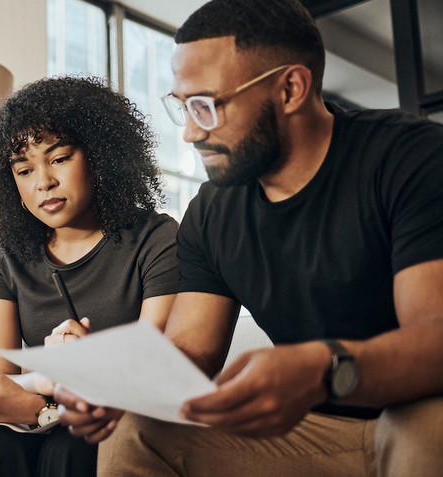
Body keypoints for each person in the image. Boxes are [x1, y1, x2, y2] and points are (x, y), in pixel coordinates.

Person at [55, 1, 443, 476]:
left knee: (431, 425)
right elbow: (191, 353)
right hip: (314, 434)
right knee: (138, 426)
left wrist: (321, 370)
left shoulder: (409, 159)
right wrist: (119, 387)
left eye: (206, 106)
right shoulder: (212, 212)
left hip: (416, 412)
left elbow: (435, 340)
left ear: (291, 89)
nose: (190, 133)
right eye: (182, 107)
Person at [0, 76, 180, 477]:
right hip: (40, 420)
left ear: (100, 155)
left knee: (71, 447)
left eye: (60, 159)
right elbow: (0, 384)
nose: (43, 182)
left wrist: (44, 389)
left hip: (128, 417)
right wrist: (42, 394)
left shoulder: (157, 239)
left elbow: (153, 369)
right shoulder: (2, 255)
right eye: (24, 169)